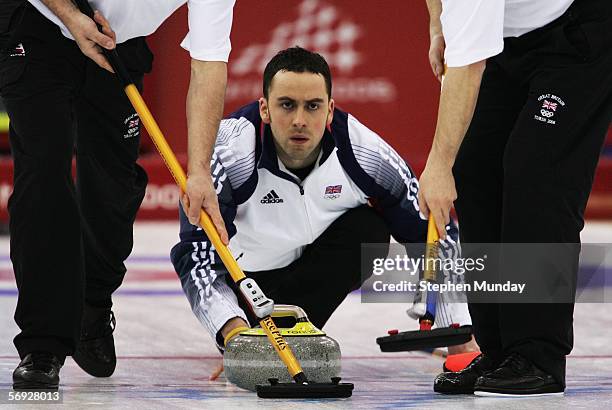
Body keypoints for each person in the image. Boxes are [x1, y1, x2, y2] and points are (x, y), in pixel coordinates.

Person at [170, 47, 477, 360]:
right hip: (243, 284)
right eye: (287, 105)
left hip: (308, 274)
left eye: (313, 106)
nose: (300, 120)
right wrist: (234, 333)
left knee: (367, 230)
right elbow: (196, 257)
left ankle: (287, 339)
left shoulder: (364, 152)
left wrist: (458, 327)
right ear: (264, 109)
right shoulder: (228, 155)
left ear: (330, 110)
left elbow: (434, 232)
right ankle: (257, 337)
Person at [0, 0, 235, 390]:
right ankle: (42, 345)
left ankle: (92, 305)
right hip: (39, 24)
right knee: (43, 172)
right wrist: (71, 16)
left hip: (117, 42)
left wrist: (199, 172)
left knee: (114, 188)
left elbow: (208, 63)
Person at [420, 0, 612, 397]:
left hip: (580, 30)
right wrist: (438, 26)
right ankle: (500, 352)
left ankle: (539, 356)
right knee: (475, 165)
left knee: (537, 173)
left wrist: (438, 165)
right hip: (512, 40)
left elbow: (468, 68)